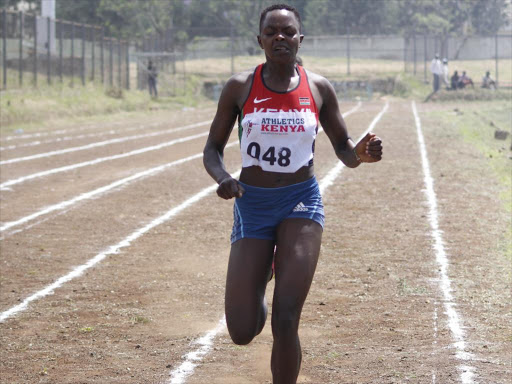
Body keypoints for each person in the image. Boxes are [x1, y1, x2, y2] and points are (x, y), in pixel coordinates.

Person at [203, 4, 383, 383]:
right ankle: (266, 276)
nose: (280, 38)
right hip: (252, 204)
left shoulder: (318, 88)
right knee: (241, 330)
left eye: (288, 32)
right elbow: (212, 149)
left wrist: (360, 155)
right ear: (260, 40)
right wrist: (222, 178)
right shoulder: (240, 87)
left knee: (287, 319)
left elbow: (344, 149)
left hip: (301, 201)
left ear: (301, 39)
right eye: (272, 32)